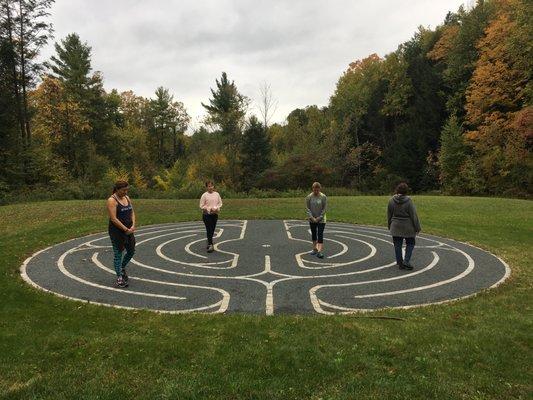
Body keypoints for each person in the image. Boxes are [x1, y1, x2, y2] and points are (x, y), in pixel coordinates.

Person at [107, 180, 136, 287]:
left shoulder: (127, 198)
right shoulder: (112, 200)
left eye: (127, 190)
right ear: (117, 189)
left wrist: (133, 225)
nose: (126, 192)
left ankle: (122, 268)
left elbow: (132, 212)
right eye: (124, 190)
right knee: (118, 254)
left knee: (131, 251)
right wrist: (125, 229)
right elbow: (113, 219)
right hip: (117, 232)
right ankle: (119, 278)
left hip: (129, 230)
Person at [387, 182, 421, 270]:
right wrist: (417, 227)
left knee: (397, 244)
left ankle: (400, 262)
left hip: (395, 226)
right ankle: (406, 261)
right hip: (408, 226)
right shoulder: (409, 201)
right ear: (406, 191)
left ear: (397, 190)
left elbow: (389, 214)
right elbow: (413, 215)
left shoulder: (391, 200)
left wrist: (389, 225)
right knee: (411, 243)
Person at [199, 180, 223, 253]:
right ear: (206, 187)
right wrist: (207, 209)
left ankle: (209, 241)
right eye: (209, 186)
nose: (210, 187)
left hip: (214, 215)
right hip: (206, 215)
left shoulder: (217, 194)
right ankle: (210, 244)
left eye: (211, 186)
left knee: (212, 229)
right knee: (209, 229)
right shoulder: (204, 195)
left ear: (213, 186)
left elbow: (220, 203)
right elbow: (201, 205)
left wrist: (216, 208)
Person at [306, 182, 327, 259]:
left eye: (317, 190)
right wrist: (312, 218)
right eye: (315, 190)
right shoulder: (309, 197)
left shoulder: (323, 197)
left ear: (319, 189)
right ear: (313, 189)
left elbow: (324, 209)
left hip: (321, 220)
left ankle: (319, 251)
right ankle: (314, 249)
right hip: (312, 219)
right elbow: (308, 209)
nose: (316, 191)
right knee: (314, 233)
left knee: (320, 233)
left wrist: (319, 218)